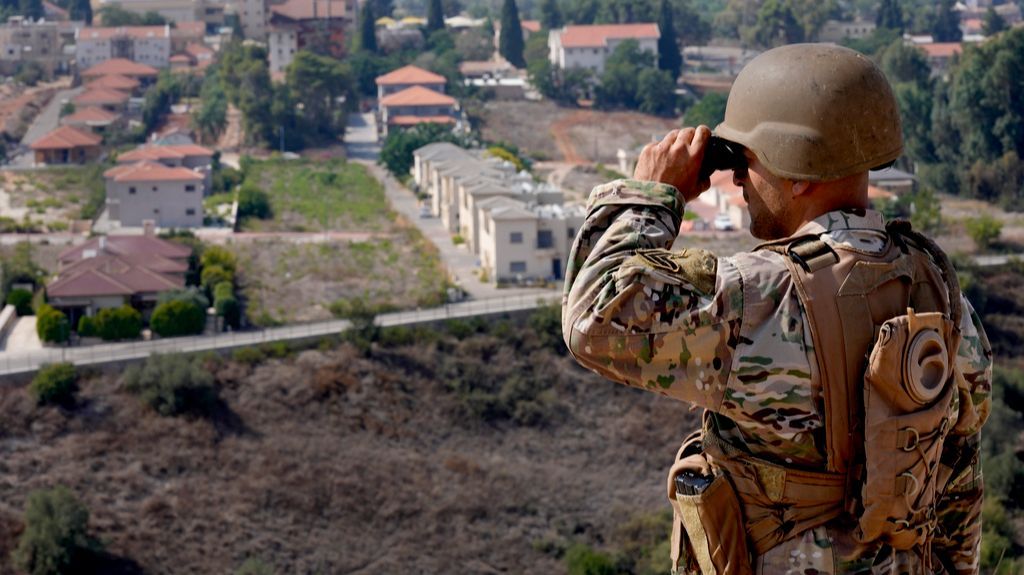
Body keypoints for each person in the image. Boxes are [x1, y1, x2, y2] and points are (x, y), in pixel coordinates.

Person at [561, 43, 992, 574]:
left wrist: (650, 196)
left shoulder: (763, 300)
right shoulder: (941, 291)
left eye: (745, 161)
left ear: (800, 173)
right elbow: (960, 482)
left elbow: (592, 320)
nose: (737, 180)